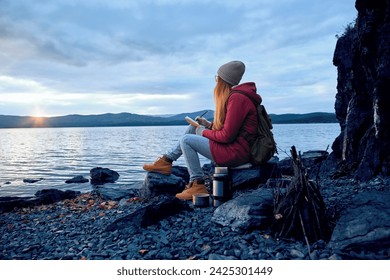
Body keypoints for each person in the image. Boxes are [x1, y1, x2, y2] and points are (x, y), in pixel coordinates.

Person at [143, 61, 262, 200]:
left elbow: (227, 136)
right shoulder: (236, 96)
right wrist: (208, 125)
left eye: (217, 77)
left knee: (186, 140)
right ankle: (166, 161)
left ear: (223, 80)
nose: (216, 81)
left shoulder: (237, 98)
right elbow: (231, 129)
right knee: (193, 126)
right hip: (234, 147)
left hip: (235, 152)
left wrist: (203, 132)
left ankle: (197, 184)